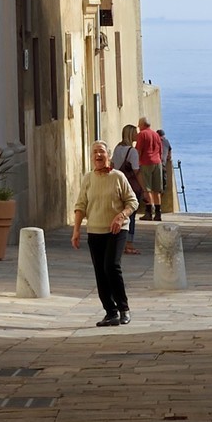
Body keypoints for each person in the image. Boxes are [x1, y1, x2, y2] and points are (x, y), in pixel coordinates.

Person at [73, 139, 138, 326]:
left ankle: (124, 308)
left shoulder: (118, 177)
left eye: (101, 151)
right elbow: (80, 206)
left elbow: (132, 202)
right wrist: (76, 231)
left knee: (111, 266)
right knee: (100, 272)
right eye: (94, 152)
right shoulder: (88, 178)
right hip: (95, 230)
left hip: (117, 229)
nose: (98, 155)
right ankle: (111, 312)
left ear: (108, 156)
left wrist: (121, 216)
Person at [112, 124, 141, 249]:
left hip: (117, 184)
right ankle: (129, 243)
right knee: (131, 214)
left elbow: (112, 164)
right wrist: (144, 188)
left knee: (119, 212)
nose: (137, 135)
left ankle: (118, 241)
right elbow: (136, 171)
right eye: (135, 133)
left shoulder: (117, 148)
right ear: (131, 134)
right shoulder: (132, 151)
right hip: (131, 186)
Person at [133, 114, 165, 220]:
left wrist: (137, 163)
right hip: (157, 162)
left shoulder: (142, 134)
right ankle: (158, 213)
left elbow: (138, 150)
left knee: (147, 189)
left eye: (139, 124)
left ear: (142, 125)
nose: (138, 126)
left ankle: (149, 212)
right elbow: (160, 149)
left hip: (146, 162)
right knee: (157, 189)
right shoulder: (156, 135)